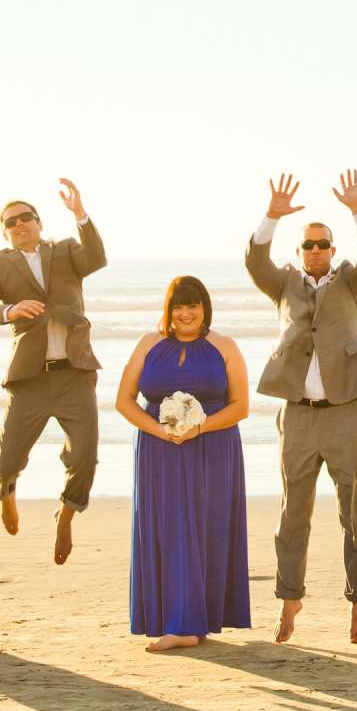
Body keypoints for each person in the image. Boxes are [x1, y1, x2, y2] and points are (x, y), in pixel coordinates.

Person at [247, 169, 357, 645]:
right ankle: (290, 600)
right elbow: (254, 259)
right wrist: (271, 216)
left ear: (332, 248)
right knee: (293, 513)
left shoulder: (352, 282)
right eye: (307, 245)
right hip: (298, 415)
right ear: (299, 251)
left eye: (322, 244)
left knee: (354, 512)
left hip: (346, 410)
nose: (315, 251)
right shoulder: (282, 284)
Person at [0, 179, 106, 566]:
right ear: (4, 231)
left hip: (75, 372)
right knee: (10, 455)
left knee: (85, 455)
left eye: (26, 217)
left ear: (39, 222)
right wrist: (9, 311)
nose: (20, 224)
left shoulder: (64, 251)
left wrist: (80, 214)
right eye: (11, 221)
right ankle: (6, 492)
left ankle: (66, 514)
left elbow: (96, 258)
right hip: (29, 376)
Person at [116, 276, 253, 652]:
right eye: (179, 306)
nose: (186, 313)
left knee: (206, 528)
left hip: (213, 447)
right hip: (159, 451)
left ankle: (190, 624)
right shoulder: (149, 344)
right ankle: (181, 622)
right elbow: (124, 401)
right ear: (168, 309)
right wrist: (161, 433)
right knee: (170, 527)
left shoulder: (224, 346)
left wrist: (199, 427)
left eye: (193, 305)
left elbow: (241, 406)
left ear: (205, 308)